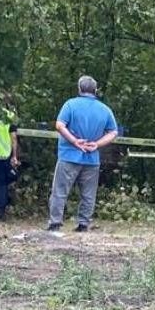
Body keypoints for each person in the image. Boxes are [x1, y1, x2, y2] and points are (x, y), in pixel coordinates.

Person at [47, 75, 118, 232]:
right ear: (95, 90)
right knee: (88, 194)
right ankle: (83, 224)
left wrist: (74, 141)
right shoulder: (105, 109)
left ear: (79, 88)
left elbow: (59, 125)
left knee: (60, 190)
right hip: (92, 157)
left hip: (68, 155)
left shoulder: (70, 105)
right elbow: (113, 132)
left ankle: (55, 223)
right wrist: (97, 144)